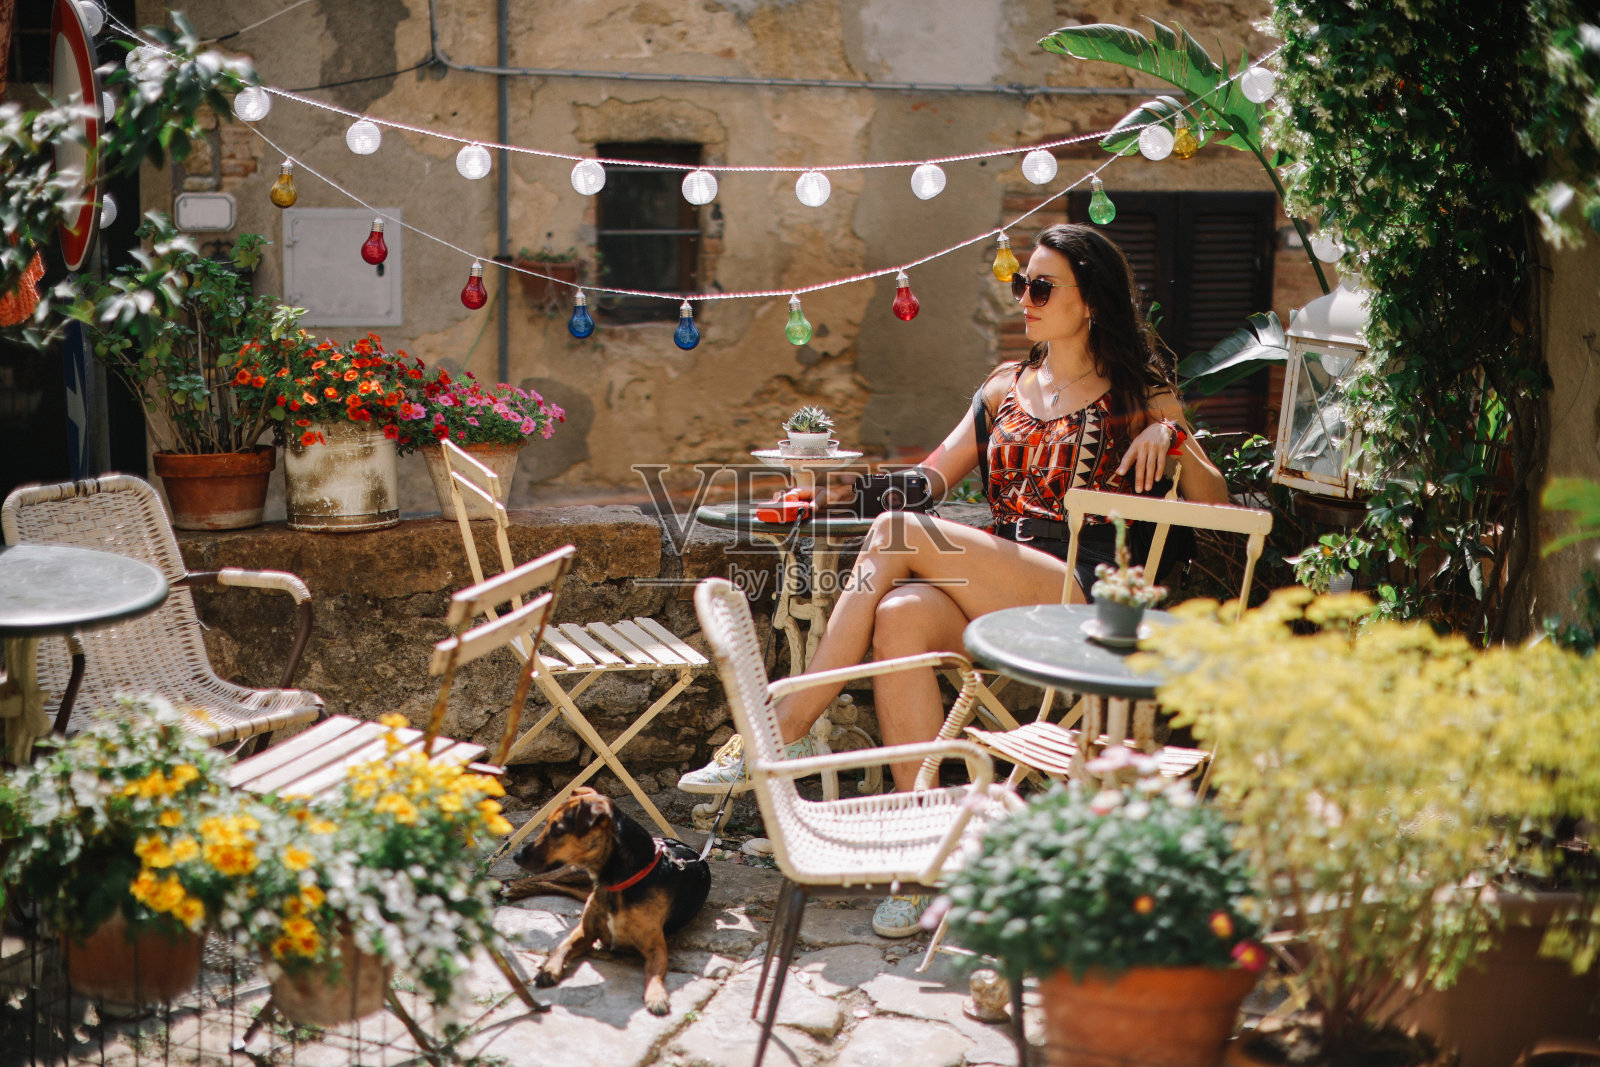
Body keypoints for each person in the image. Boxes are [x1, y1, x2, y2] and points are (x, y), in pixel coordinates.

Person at [681, 223, 1228, 936]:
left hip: (1084, 600)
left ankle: (779, 729)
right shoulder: (1004, 385)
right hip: (1001, 589)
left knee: (901, 541)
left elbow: (1215, 507)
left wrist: (1174, 435)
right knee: (903, 609)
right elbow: (929, 481)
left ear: (1089, 300)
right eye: (1019, 285)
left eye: (1041, 286)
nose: (1024, 299)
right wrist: (843, 492)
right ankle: (923, 857)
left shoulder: (1139, 392)